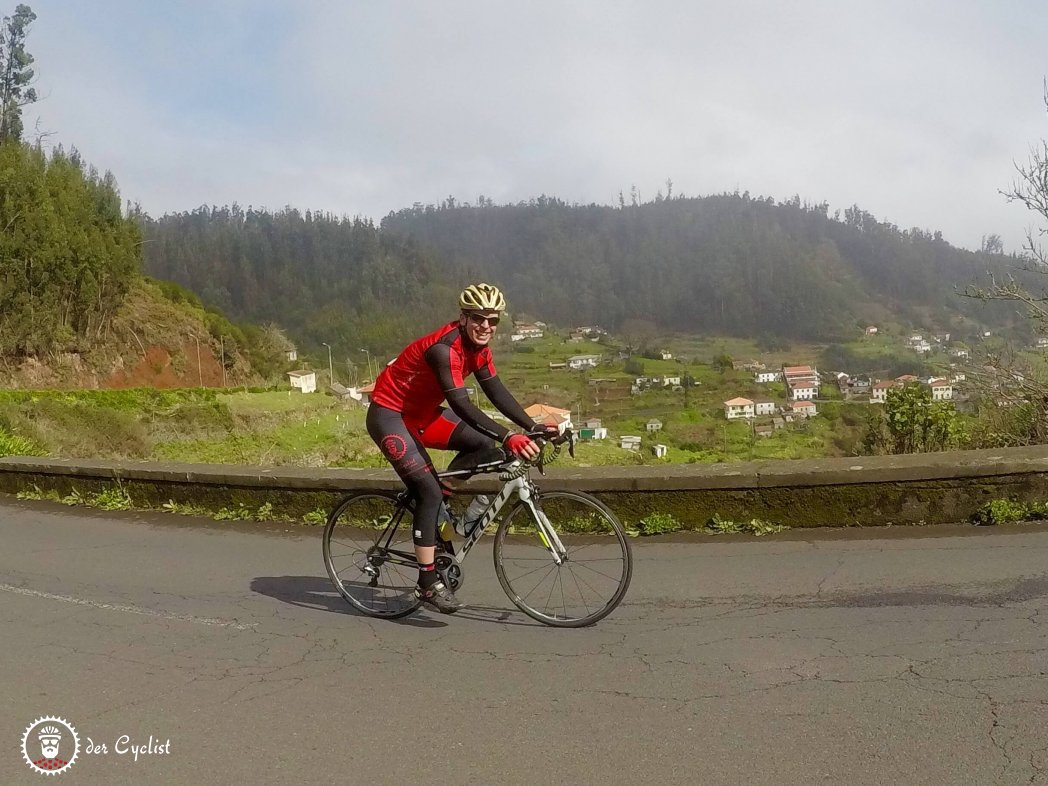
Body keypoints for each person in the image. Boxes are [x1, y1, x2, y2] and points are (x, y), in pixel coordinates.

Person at [367, 283, 556, 613]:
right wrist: (508, 436)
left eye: (493, 320)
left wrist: (532, 426)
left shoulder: (480, 349)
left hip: (422, 416)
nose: (486, 326)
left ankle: (444, 508)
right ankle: (426, 584)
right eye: (478, 318)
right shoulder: (446, 349)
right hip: (390, 415)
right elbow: (462, 405)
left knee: (485, 446)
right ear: (463, 318)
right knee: (428, 490)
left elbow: (496, 391)